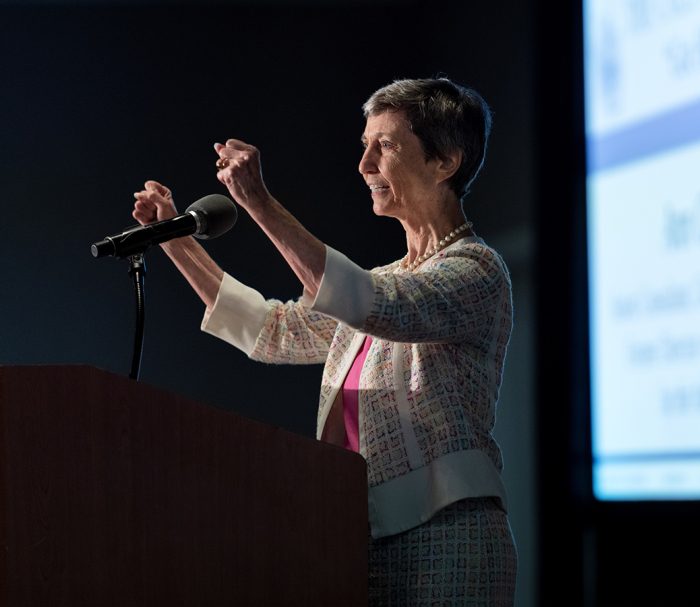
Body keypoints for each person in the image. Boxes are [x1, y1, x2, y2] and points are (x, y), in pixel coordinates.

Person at [132, 77, 516, 605]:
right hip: (353, 536)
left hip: (448, 536)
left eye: (385, 146)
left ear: (445, 160)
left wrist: (260, 204)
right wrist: (176, 238)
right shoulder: (385, 278)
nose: (365, 166)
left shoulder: (476, 270)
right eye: (364, 147)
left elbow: (377, 304)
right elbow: (273, 331)